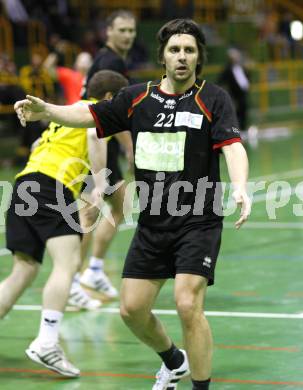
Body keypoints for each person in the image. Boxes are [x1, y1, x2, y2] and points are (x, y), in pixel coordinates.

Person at [14, 18, 251, 389]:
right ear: (163, 56)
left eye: (189, 50)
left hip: (197, 221)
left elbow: (233, 146)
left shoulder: (213, 98)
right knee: (131, 309)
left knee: (187, 304)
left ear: (198, 57)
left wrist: (240, 187)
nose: (182, 56)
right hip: (153, 224)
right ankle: (173, 361)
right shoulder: (138, 97)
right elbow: (89, 114)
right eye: (175, 50)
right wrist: (49, 110)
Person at [2, 70, 128, 377]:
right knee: (68, 262)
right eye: (123, 101)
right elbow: (91, 135)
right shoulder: (92, 113)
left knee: (24, 269)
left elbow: (35, 150)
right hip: (51, 188)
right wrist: (98, 186)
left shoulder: (64, 115)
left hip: (24, 185)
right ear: (110, 98)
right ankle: (47, 342)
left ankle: (47, 340)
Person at [79, 9, 136, 300]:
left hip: (105, 139)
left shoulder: (110, 60)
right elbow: (113, 110)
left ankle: (93, 270)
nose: (128, 35)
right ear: (108, 31)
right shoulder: (110, 61)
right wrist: (130, 146)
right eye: (122, 30)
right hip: (98, 140)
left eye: (131, 30)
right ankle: (75, 279)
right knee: (89, 210)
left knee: (120, 202)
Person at [217, 48, 250, 132]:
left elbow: (245, 78)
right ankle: (235, 131)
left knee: (244, 111)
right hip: (234, 95)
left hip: (243, 94)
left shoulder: (241, 67)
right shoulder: (227, 69)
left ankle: (243, 129)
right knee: (235, 113)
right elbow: (220, 81)